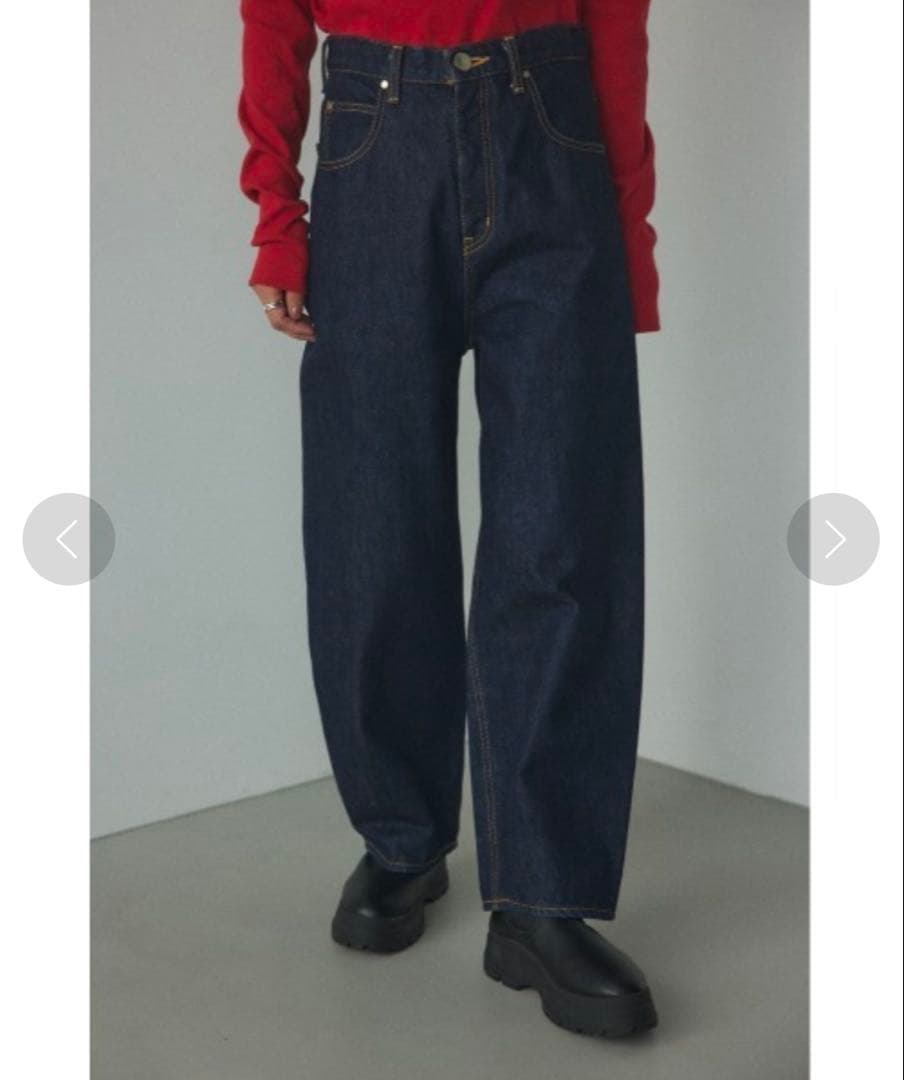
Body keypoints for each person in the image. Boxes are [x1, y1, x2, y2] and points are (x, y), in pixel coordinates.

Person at [239, 0, 660, 1039]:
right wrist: (277, 217)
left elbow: (616, 25)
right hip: (372, 139)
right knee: (374, 529)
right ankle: (401, 836)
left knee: (562, 532)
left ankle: (541, 900)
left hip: (551, 130)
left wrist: (628, 239)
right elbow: (273, 19)